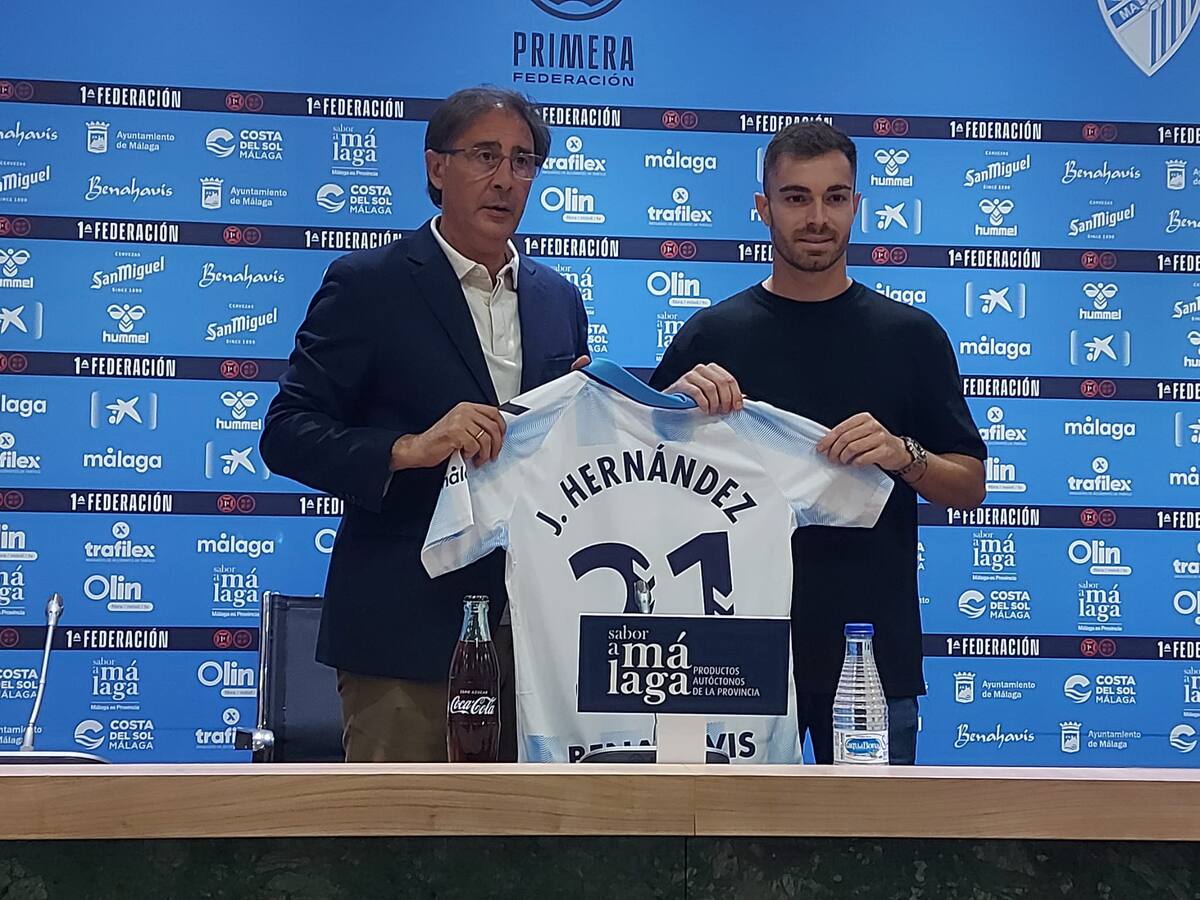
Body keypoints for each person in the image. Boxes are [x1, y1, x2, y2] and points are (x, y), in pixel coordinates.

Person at [261, 86, 589, 762]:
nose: (505, 178)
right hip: (403, 635)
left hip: (538, 641)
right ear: (437, 167)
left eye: (522, 161)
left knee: (536, 831)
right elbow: (287, 432)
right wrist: (409, 448)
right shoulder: (369, 284)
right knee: (403, 827)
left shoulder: (558, 299)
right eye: (485, 156)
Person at [650, 122, 986, 765]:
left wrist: (905, 454)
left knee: (867, 833)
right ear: (763, 207)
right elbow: (641, 479)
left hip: (869, 650)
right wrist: (670, 408)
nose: (817, 218)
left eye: (834, 198)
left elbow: (969, 486)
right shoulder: (711, 336)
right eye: (796, 197)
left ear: (857, 205)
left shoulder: (910, 336)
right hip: (726, 650)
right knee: (722, 832)